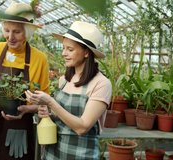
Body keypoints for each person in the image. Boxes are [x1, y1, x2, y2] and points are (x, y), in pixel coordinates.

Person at [0, 2, 50, 160]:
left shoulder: (39, 59)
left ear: (27, 33)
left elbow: (44, 102)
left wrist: (26, 110)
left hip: (18, 129)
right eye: (7, 30)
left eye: (17, 32)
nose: (10, 37)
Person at [25, 21, 112, 160]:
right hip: (53, 153)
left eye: (70, 49)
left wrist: (51, 103)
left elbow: (82, 127)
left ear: (86, 52)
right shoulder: (64, 80)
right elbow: (61, 115)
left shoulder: (101, 84)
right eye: (63, 48)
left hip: (81, 155)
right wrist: (47, 111)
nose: (64, 53)